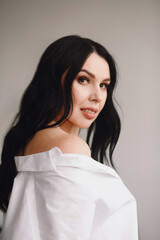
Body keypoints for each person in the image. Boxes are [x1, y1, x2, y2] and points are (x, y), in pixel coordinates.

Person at [0, 35, 138, 239]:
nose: (98, 96)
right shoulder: (70, 147)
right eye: (84, 79)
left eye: (104, 85)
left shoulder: (26, 142)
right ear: (54, 81)